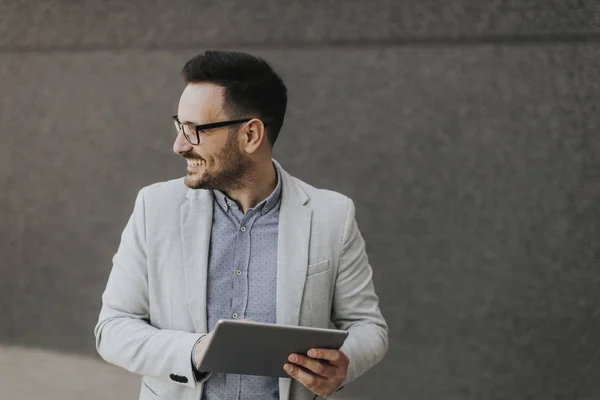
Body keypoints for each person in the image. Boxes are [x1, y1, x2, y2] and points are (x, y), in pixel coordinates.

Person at [94, 50, 388, 400]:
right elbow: (112, 328)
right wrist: (195, 350)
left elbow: (368, 327)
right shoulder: (154, 208)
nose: (178, 145)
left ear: (251, 135)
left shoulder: (331, 216)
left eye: (194, 130)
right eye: (179, 125)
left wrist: (343, 364)